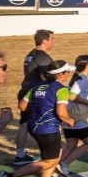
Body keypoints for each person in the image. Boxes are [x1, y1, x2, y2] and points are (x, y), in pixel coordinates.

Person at [0, 60, 75, 177]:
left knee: (51, 157)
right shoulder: (62, 89)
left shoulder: (37, 86)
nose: (68, 74)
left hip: (34, 126)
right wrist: (70, 121)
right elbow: (61, 113)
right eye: (67, 72)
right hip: (48, 129)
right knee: (51, 162)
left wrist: (38, 111)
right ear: (60, 74)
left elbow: (22, 106)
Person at [15, 29, 55, 163]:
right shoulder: (43, 58)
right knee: (44, 123)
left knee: (24, 123)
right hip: (35, 94)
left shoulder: (30, 55)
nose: (53, 42)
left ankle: (20, 155)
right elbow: (46, 78)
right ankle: (48, 155)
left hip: (25, 91)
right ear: (44, 41)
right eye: (52, 39)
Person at [57, 55, 88, 177]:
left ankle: (54, 168)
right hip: (77, 118)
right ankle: (64, 164)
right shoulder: (81, 80)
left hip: (70, 117)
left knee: (71, 145)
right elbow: (71, 96)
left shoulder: (79, 78)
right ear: (86, 65)